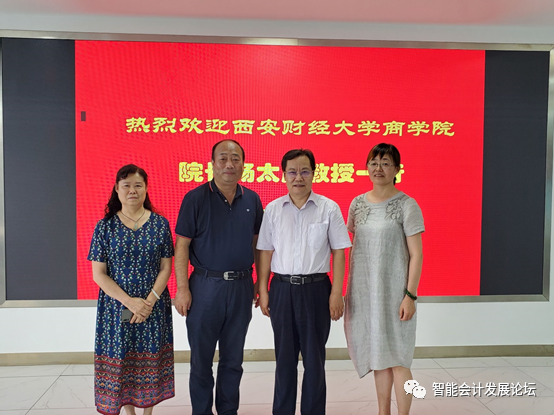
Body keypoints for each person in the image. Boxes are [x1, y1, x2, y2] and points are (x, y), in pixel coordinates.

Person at [257, 148, 351, 415]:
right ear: (283, 175)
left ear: (313, 173)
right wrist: (263, 289)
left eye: (304, 171)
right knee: (284, 360)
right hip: (282, 289)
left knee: (314, 360)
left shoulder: (329, 208)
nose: (298, 177)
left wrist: (336, 293)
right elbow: (265, 252)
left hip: (316, 290)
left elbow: (339, 252)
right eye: (292, 172)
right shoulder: (273, 210)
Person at [174, 139, 263, 415]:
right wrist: (182, 289)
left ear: (243, 164)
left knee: (233, 361)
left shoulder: (252, 200)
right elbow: (182, 245)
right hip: (204, 287)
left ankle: (228, 411)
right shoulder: (195, 198)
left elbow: (258, 244)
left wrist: (260, 282)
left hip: (241, 287)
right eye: (223, 158)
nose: (229, 164)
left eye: (235, 159)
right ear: (212, 163)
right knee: (201, 362)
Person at [344, 143, 424, 415]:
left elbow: (416, 255)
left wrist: (409, 296)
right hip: (367, 293)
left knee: (399, 358)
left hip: (396, 295)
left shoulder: (407, 205)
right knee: (379, 357)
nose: (378, 168)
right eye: (374, 163)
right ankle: (383, 412)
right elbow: (355, 249)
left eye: (386, 163)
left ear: (397, 169)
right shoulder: (357, 204)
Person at [88, 164, 175, 415]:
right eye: (126, 185)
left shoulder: (160, 224)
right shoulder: (104, 227)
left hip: (152, 305)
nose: (132, 190)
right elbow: (98, 274)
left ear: (146, 189)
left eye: (138, 185)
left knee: (150, 358)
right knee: (122, 358)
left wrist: (148, 302)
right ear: (117, 189)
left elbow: (166, 268)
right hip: (117, 307)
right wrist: (130, 302)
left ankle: (147, 412)